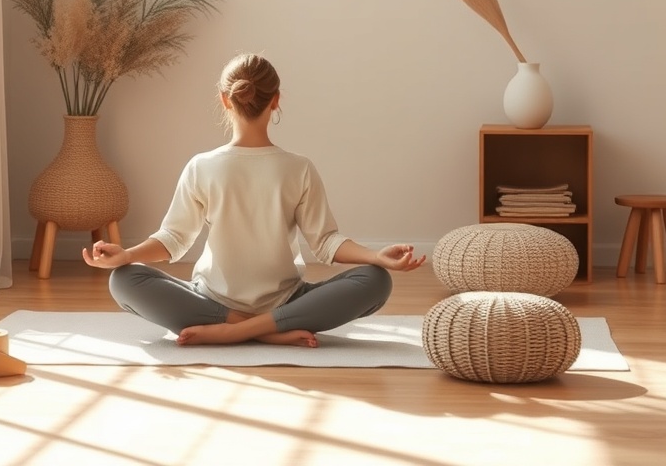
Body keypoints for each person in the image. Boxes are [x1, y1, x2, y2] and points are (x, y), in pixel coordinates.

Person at [82, 53, 425, 347]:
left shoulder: (204, 165)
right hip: (283, 305)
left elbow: (174, 240)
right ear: (276, 100)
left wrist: (127, 254)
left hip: (217, 303)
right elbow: (325, 243)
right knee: (376, 282)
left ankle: (233, 330)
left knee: (124, 280)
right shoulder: (297, 167)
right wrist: (375, 255)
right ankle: (267, 331)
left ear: (224, 99)